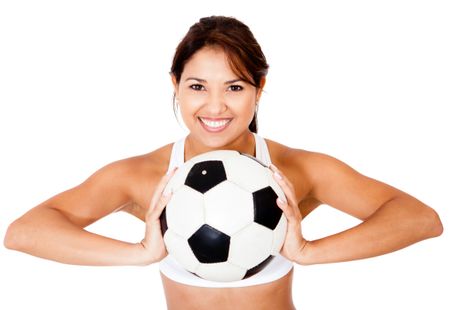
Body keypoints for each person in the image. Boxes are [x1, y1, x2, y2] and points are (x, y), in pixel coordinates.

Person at [3, 15, 443, 310]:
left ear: (260, 88)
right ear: (175, 85)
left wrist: (310, 252)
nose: (215, 107)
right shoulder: (144, 176)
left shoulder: (298, 170)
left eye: (234, 87)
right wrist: (139, 253)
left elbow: (420, 219)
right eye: (197, 86)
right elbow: (24, 233)